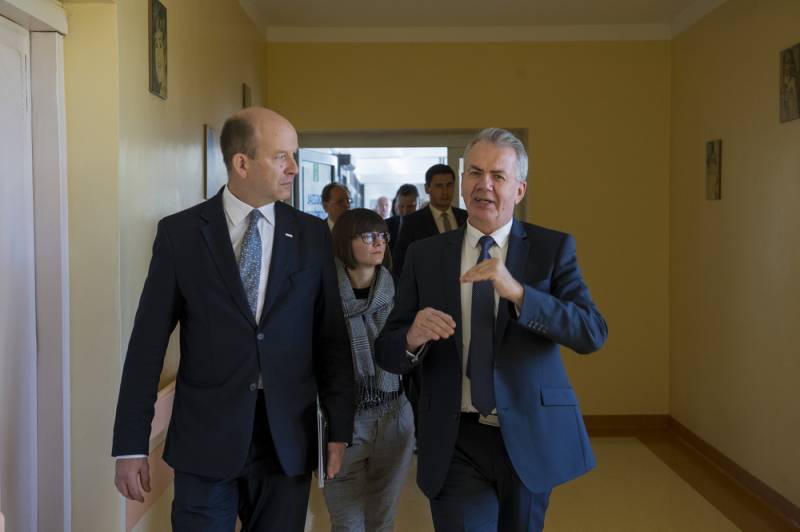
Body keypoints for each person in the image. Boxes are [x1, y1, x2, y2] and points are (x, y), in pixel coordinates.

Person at [112, 107, 355, 531]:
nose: (294, 168)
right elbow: (147, 344)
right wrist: (130, 445)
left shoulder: (312, 236)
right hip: (205, 439)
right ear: (242, 163)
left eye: (294, 156)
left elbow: (330, 338)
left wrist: (339, 430)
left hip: (286, 440)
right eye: (281, 157)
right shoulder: (181, 234)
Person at [375, 128, 608, 532]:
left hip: (529, 435)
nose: (484, 184)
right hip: (453, 438)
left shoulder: (552, 249)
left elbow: (591, 332)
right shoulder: (425, 254)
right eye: (475, 172)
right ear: (463, 182)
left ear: (519, 190)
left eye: (498, 176)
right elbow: (387, 351)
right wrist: (412, 336)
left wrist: (520, 293)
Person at [323, 208, 414, 532]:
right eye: (368, 236)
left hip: (393, 413)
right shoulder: (322, 292)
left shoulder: (398, 290)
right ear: (344, 242)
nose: (379, 243)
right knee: (347, 524)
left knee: (381, 521)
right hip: (343, 420)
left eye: (382, 236)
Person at [392, 164, 466, 278]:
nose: (445, 192)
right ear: (427, 188)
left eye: (449, 185)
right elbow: (400, 263)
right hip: (427, 283)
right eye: (439, 186)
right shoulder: (412, 222)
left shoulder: (466, 217)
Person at [385, 183, 419, 253]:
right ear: (396, 205)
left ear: (417, 205)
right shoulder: (386, 225)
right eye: (401, 206)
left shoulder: (426, 224)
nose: (405, 211)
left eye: (409, 207)